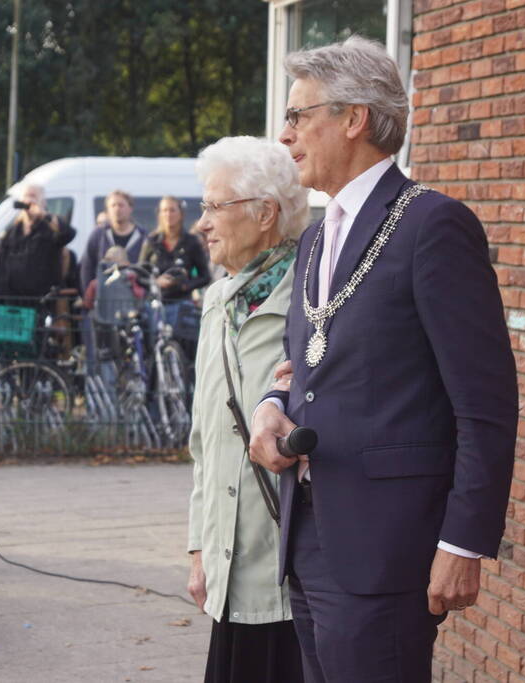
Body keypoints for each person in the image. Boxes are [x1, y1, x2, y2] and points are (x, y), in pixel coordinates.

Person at [247, 37, 518, 682]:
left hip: (389, 547)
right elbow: (303, 361)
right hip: (307, 532)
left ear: (353, 118)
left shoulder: (434, 226)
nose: (285, 135)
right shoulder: (315, 236)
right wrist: (269, 408)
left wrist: (463, 542)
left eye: (298, 115)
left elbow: (485, 405)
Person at [186, 136, 308, 683]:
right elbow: (203, 443)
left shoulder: (311, 297)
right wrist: (199, 549)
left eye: (215, 206)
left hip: (287, 568)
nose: (202, 223)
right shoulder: (218, 301)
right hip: (227, 569)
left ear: (265, 214)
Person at [0, 184, 75, 306]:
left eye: (33, 196)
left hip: (40, 302)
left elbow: (68, 234)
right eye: (26, 196)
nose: (29, 200)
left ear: (43, 202)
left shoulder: (49, 228)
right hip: (10, 301)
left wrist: (44, 215)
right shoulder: (12, 232)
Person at [138, 196, 211, 329]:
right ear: (159, 214)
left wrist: (185, 285)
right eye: (164, 210)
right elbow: (139, 274)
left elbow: (205, 276)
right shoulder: (151, 241)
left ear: (181, 213)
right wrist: (156, 282)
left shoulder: (192, 242)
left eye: (172, 210)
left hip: (182, 305)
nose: (168, 214)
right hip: (155, 305)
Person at [78, 190, 147, 292]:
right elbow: (87, 267)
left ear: (130, 208)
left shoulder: (142, 236)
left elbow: (147, 269)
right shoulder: (98, 235)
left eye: (121, 205)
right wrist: (89, 297)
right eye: (113, 205)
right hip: (104, 298)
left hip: (135, 298)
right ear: (108, 210)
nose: (117, 209)